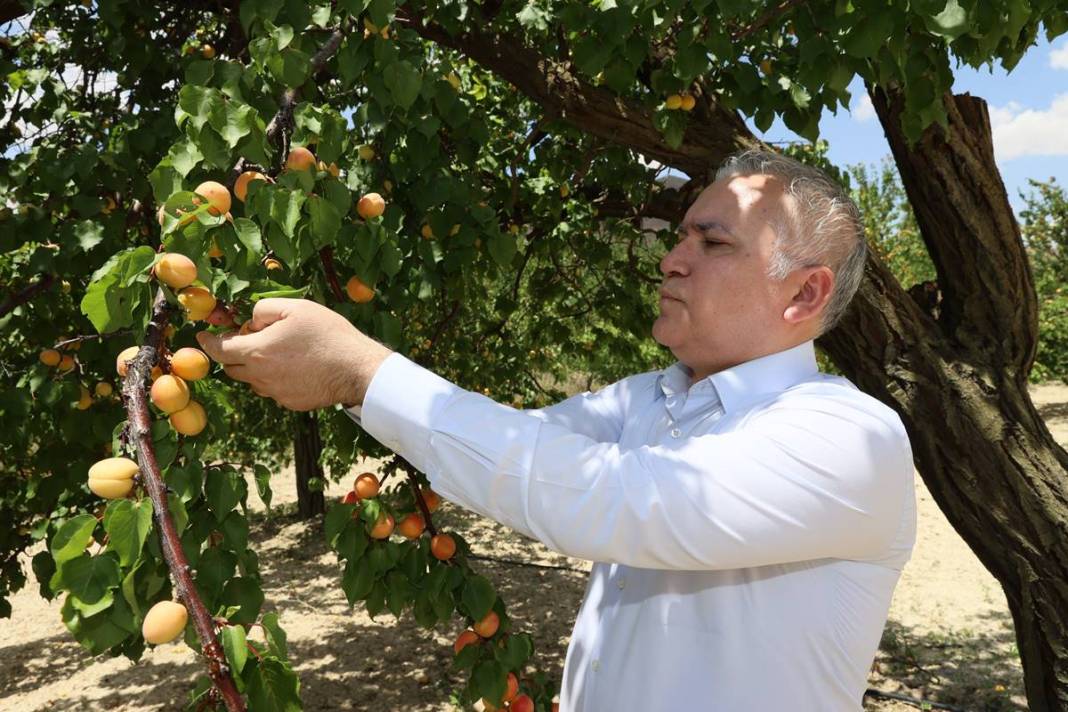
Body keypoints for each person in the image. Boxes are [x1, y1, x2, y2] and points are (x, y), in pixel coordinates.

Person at [197, 148, 917, 711]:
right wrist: (344, 378)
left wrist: (361, 371)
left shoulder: (850, 438)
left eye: (713, 243)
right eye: (680, 237)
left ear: (804, 292)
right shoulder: (648, 399)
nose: (671, 259)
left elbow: (610, 500)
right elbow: (508, 455)